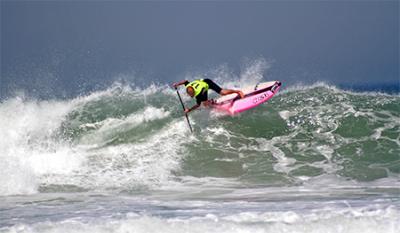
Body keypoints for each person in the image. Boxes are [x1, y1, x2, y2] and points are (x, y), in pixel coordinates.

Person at [173, 78, 245, 113]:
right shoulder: (188, 86)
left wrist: (189, 110)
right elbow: (185, 81)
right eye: (190, 94)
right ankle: (212, 102)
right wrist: (177, 84)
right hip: (203, 83)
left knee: (222, 93)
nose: (191, 95)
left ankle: (238, 91)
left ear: (194, 91)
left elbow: (198, 105)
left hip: (207, 83)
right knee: (206, 104)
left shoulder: (199, 93)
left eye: (192, 94)